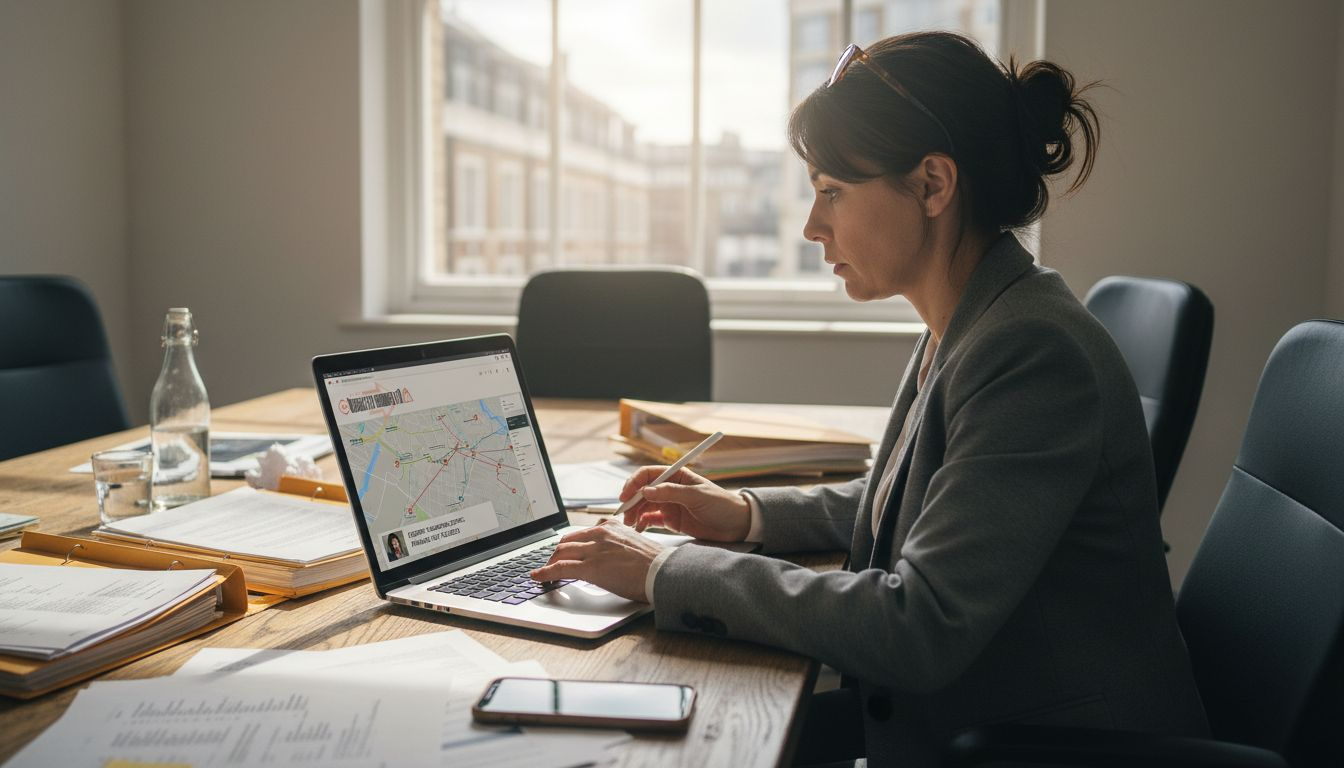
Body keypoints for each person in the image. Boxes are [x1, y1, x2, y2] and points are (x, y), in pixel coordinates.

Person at [531, 30, 1208, 766]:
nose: (811, 226)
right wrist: (750, 513)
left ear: (932, 185)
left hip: (1042, 746)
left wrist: (665, 569)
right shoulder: (976, 315)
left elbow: (920, 625)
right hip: (972, 718)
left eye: (831, 192)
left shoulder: (1030, 351)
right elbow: (920, 501)